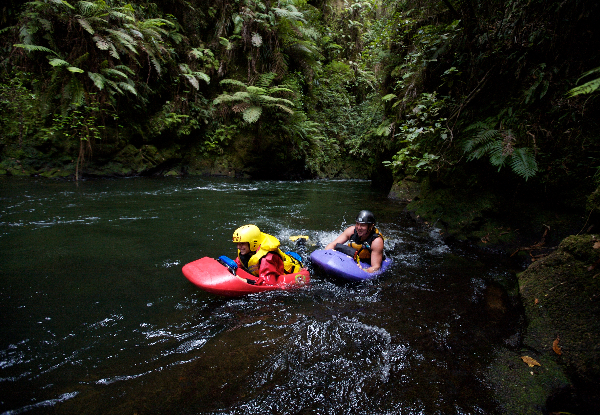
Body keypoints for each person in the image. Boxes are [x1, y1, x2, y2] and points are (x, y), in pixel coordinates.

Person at [232, 224, 302, 285]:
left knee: (302, 253)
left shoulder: (267, 258)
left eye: (242, 244)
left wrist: (245, 281)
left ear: (253, 243)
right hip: (285, 257)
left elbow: (268, 283)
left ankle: (301, 241)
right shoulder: (247, 251)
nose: (238, 247)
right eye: (238, 243)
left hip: (295, 264)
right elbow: (238, 263)